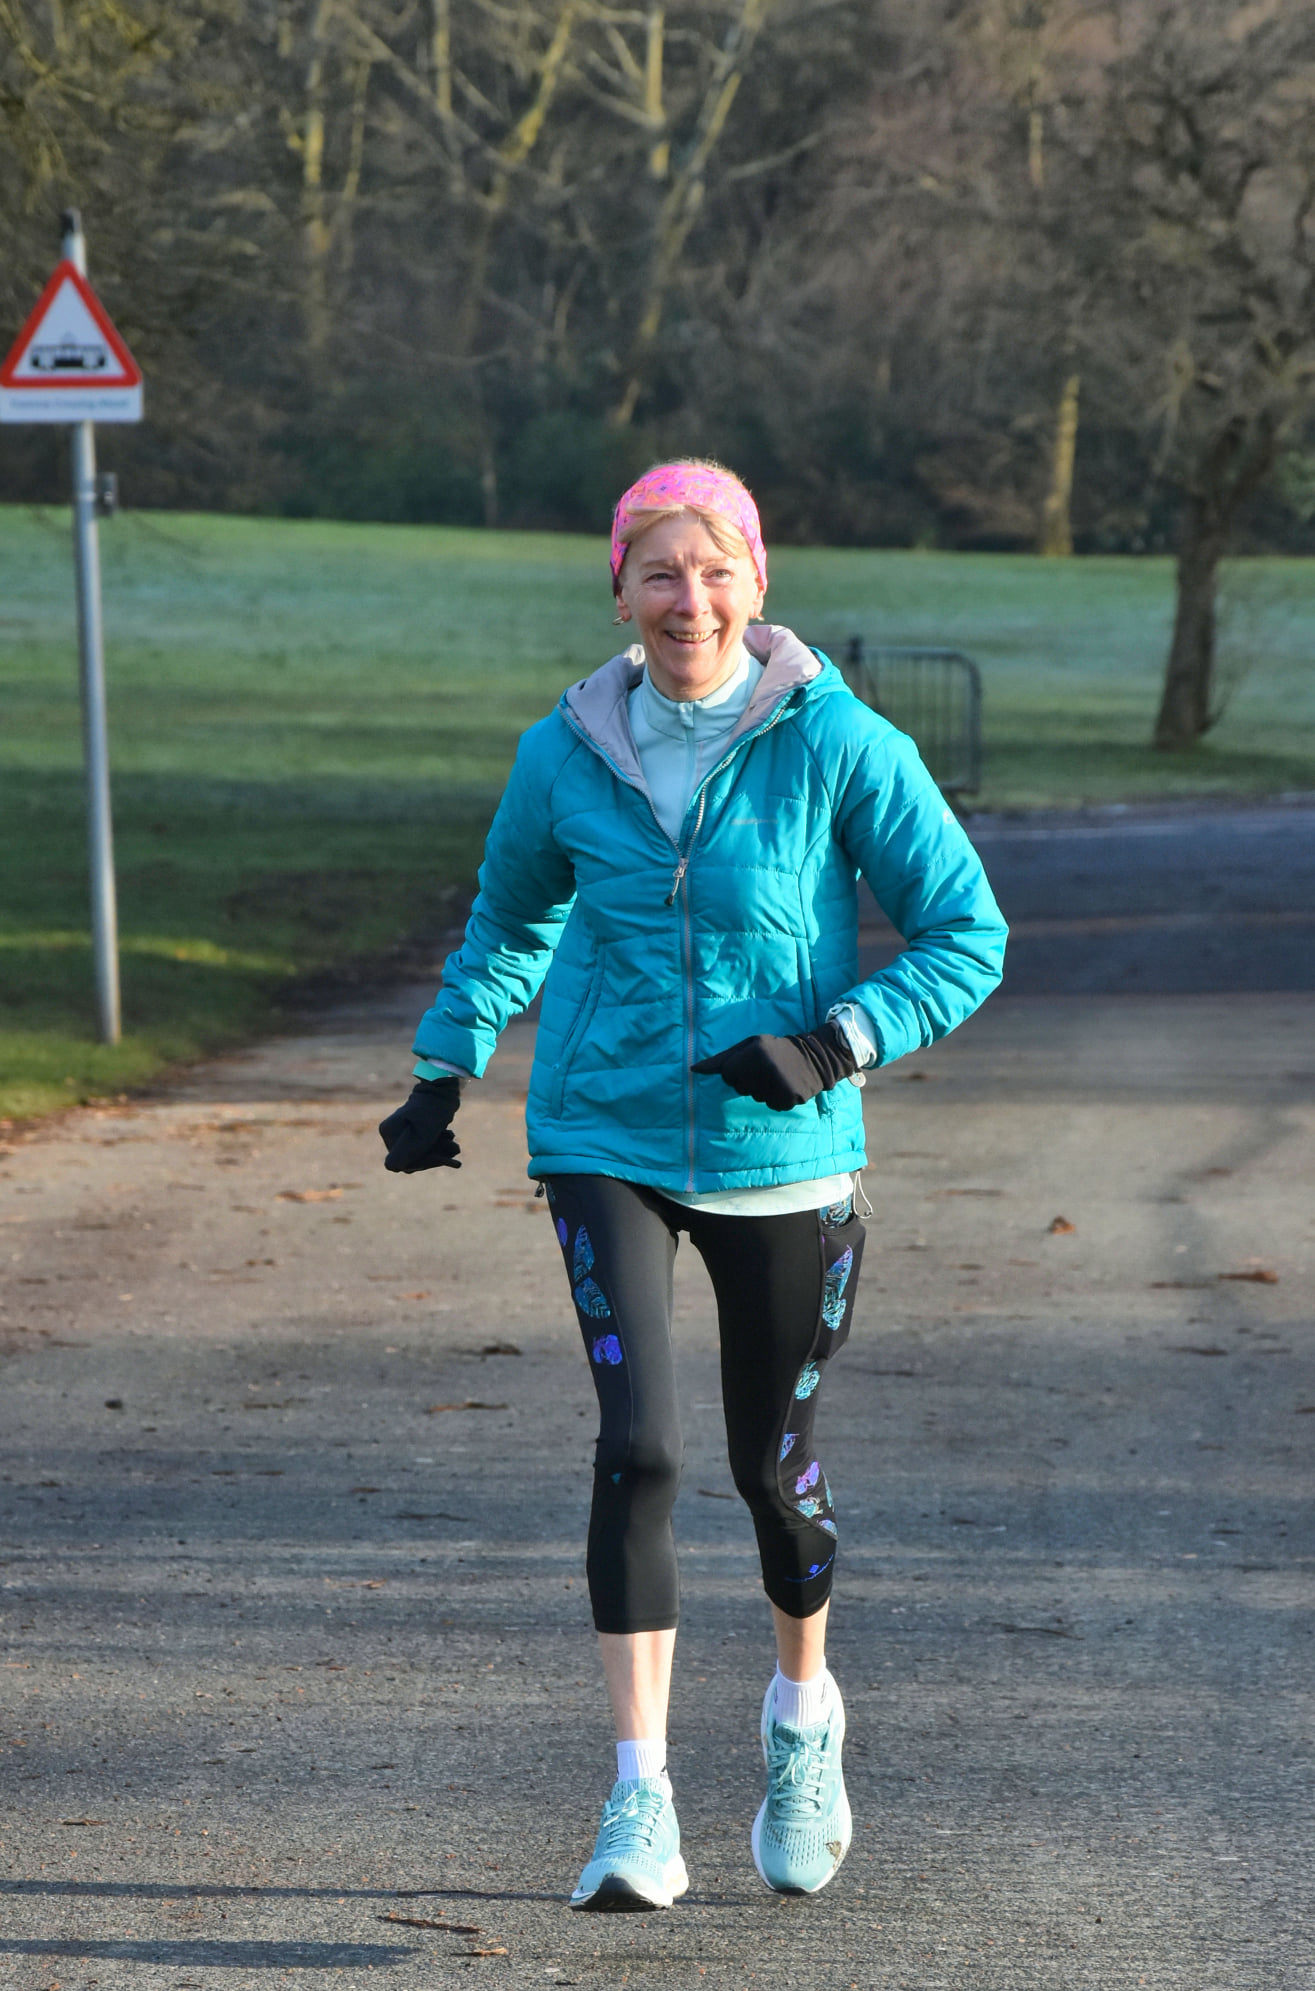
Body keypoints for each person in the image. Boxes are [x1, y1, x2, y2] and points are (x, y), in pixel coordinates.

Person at [379, 459, 1007, 1910]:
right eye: (660, 571)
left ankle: (800, 1722)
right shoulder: (569, 749)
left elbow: (965, 934)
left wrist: (834, 1043)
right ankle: (638, 1801)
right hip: (606, 1136)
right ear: (620, 588)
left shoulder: (840, 741)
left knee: (768, 1475)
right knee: (640, 1452)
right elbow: (513, 917)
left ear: (759, 587)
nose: (689, 600)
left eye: (715, 570)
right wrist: (444, 1063)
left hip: (788, 1157)